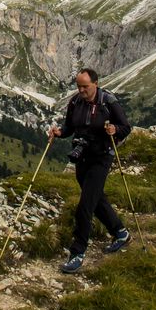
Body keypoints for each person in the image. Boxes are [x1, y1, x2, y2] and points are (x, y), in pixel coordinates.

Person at [50, 68, 132, 273]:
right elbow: (69, 127)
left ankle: (77, 253)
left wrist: (115, 130)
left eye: (85, 86)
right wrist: (59, 132)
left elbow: (125, 127)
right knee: (96, 199)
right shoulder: (75, 102)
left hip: (101, 157)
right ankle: (121, 233)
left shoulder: (108, 102)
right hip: (82, 157)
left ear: (95, 83)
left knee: (85, 205)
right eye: (78, 86)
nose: (81, 90)